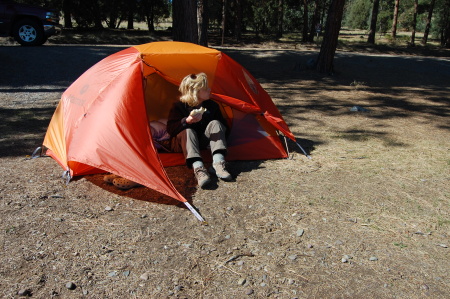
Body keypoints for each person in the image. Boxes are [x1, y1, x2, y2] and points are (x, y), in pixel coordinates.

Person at [167, 72, 232, 188]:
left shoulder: (212, 105)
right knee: (188, 130)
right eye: (205, 88)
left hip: (203, 141)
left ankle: (218, 163)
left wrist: (207, 119)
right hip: (184, 144)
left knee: (216, 123)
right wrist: (186, 121)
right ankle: (199, 169)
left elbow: (223, 128)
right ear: (195, 91)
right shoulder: (179, 106)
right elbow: (170, 130)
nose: (209, 89)